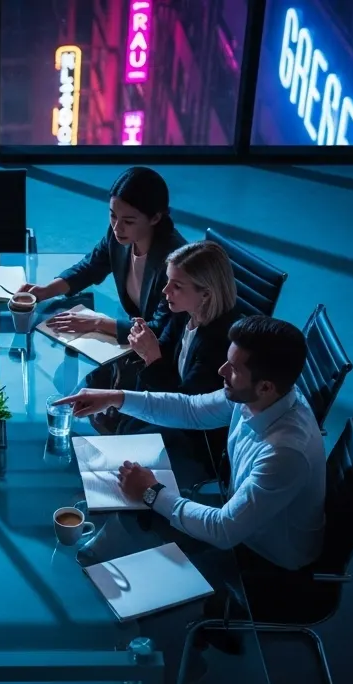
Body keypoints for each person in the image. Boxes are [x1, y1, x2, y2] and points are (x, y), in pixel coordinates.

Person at [55, 315, 326, 571]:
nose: (221, 370)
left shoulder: (285, 453)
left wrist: (151, 492)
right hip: (236, 513)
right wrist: (116, 397)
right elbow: (192, 410)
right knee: (134, 509)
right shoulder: (265, 395)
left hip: (260, 556)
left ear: (265, 386)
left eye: (233, 368)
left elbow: (223, 531)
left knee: (136, 530)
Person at [18, 167, 187, 346]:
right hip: (135, 335)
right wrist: (47, 290)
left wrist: (98, 323)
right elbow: (90, 267)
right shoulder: (119, 236)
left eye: (128, 221)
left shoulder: (176, 262)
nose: (117, 228)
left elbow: (161, 329)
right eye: (113, 216)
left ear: (155, 218)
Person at [104, 240, 240, 438]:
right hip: (166, 411)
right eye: (168, 281)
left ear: (205, 294)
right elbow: (165, 352)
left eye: (176, 286)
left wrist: (151, 357)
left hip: (190, 436)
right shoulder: (184, 311)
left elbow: (184, 410)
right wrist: (147, 345)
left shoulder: (219, 342)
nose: (165, 290)